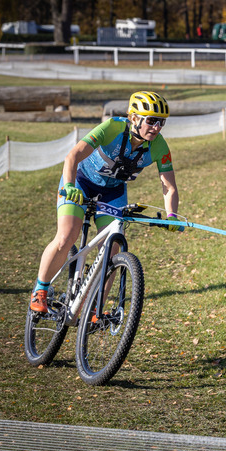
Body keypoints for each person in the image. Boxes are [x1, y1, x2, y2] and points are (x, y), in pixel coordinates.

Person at [29, 90, 181, 313]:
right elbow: (72, 156)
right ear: (134, 118)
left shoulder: (159, 146)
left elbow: (168, 186)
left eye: (161, 122)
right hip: (80, 181)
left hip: (113, 191)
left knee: (112, 250)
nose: (157, 127)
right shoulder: (113, 128)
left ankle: (95, 309)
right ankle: (40, 291)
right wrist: (69, 186)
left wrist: (172, 216)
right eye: (151, 121)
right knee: (66, 236)